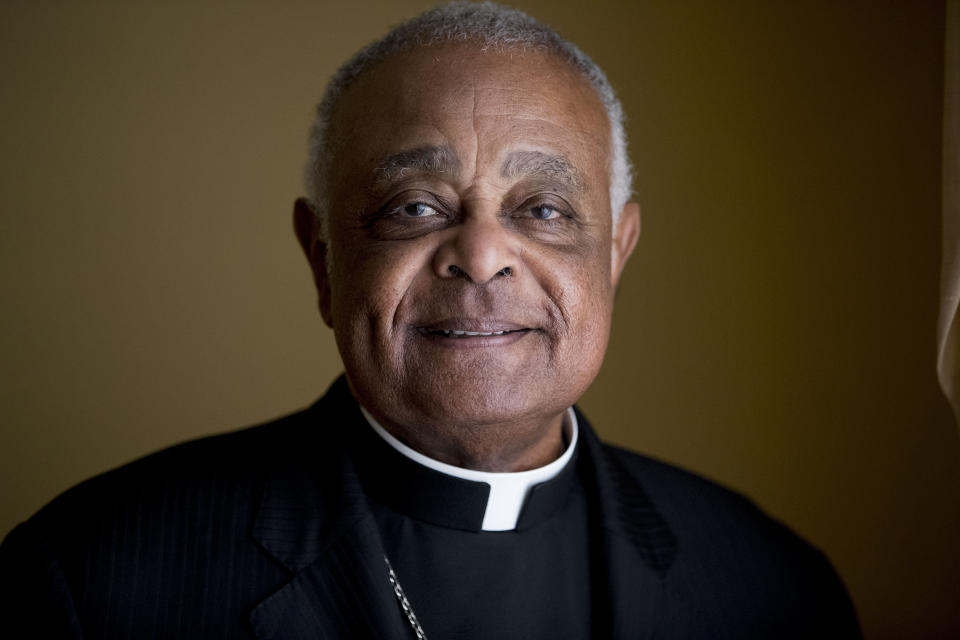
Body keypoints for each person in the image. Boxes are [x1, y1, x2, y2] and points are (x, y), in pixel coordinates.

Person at [0, 2, 860, 638]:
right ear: (324, 259)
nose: (482, 255)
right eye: (414, 205)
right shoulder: (91, 578)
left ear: (617, 255)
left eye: (546, 209)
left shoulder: (774, 588)